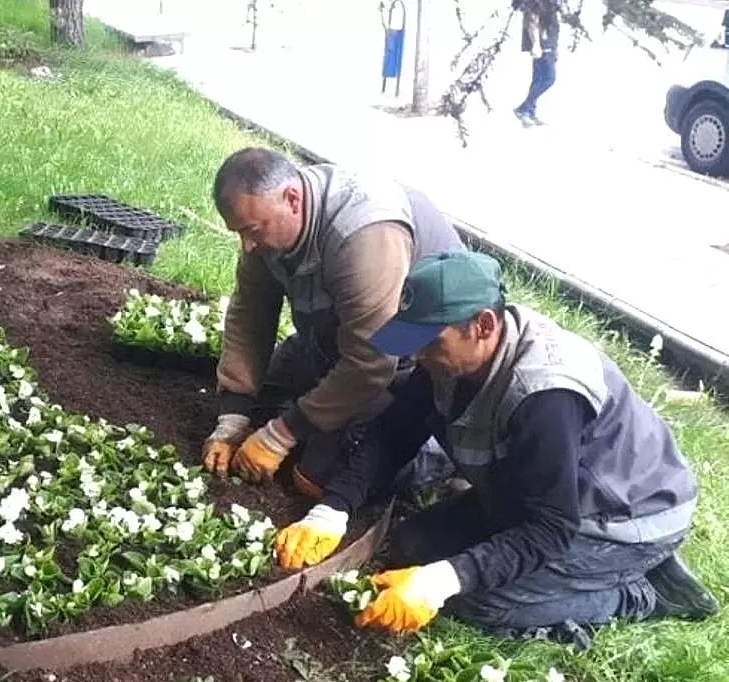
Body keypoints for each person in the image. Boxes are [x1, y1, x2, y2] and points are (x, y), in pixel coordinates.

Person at [275, 250, 719, 641]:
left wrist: (440, 585)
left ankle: (640, 591)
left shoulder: (545, 396)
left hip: (617, 514)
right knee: (413, 547)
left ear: (483, 325)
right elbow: (396, 432)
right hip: (540, 491)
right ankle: (596, 572)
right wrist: (332, 510)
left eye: (429, 342)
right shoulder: (453, 356)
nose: (419, 356)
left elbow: (550, 529)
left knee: (477, 603)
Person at [201, 147, 464, 512]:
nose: (247, 245)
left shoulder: (364, 233)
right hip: (332, 339)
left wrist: (280, 435)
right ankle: (312, 413)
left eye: (252, 231)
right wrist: (234, 415)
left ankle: (428, 453)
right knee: (259, 413)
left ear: (292, 199)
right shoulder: (265, 229)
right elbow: (250, 312)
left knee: (315, 479)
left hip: (409, 363)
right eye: (240, 233)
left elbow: (374, 359)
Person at [513, 0, 559, 127]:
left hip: (548, 45)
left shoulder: (550, 3)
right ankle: (524, 108)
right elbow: (532, 22)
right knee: (549, 78)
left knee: (538, 79)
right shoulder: (539, 3)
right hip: (543, 46)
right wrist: (536, 45)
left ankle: (529, 112)